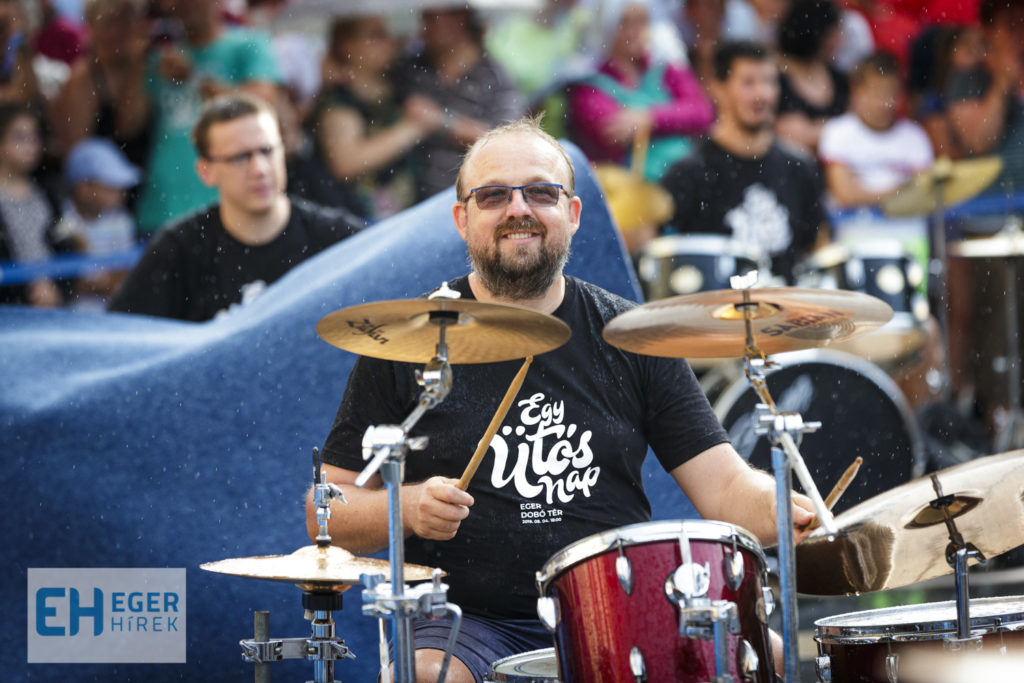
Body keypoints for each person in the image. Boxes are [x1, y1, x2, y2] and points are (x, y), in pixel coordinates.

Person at [305, 116, 815, 683]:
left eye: (541, 193)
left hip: (619, 604)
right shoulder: (409, 341)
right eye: (493, 195)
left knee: (770, 656)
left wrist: (786, 507)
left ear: (572, 213)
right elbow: (326, 511)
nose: (518, 209)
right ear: (461, 219)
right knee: (429, 677)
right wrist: (407, 507)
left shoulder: (632, 336)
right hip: (465, 618)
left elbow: (724, 487)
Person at [108, 93, 363, 322]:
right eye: (240, 157)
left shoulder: (339, 238)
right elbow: (123, 335)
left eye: (267, 151)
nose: (259, 169)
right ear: (206, 171)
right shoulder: (179, 250)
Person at [660, 40, 828, 284]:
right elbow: (659, 254)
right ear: (717, 88)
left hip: (787, 304)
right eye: (748, 83)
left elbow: (819, 250)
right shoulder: (687, 173)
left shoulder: (800, 168)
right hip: (715, 305)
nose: (763, 94)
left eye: (769, 82)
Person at [133, 0, 283, 236]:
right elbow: (129, 124)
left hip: (228, 210)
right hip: (162, 208)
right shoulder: (161, 57)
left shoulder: (249, 44)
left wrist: (194, 77)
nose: (182, 5)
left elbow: (260, 104)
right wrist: (138, 59)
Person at [305, 14, 443, 220]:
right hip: (360, 221)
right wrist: (413, 128)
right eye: (375, 36)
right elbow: (346, 162)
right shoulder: (338, 102)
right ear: (346, 46)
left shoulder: (400, 86)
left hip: (409, 215)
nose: (388, 41)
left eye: (387, 34)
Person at [567, 0, 714, 182]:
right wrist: (674, 117)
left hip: (685, 177)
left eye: (641, 21)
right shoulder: (589, 82)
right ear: (607, 25)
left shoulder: (664, 68)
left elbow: (703, 112)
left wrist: (650, 119)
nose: (634, 31)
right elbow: (613, 132)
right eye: (625, 22)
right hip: (628, 188)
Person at [394, 6, 524, 202]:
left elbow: (508, 144)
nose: (424, 27)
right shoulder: (413, 67)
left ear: (460, 19)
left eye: (432, 18)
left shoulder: (495, 77)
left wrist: (442, 121)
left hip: (470, 200)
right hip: (413, 201)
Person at [56, 136, 141, 311]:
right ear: (83, 188)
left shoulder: (120, 220)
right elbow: (64, 283)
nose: (120, 194)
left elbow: (122, 279)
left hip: (113, 314)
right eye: (110, 187)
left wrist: (92, 284)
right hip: (68, 316)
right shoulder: (58, 218)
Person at [0, 103, 66, 306]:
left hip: (53, 300)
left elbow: (65, 244)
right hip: (9, 306)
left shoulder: (49, 191)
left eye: (35, 137)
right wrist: (26, 294)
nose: (31, 145)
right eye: (20, 137)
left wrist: (57, 290)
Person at [773, 0, 849, 155]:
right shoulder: (774, 78)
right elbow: (791, 137)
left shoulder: (840, 79)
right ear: (817, 33)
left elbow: (859, 129)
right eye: (834, 34)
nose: (841, 41)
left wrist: (818, 130)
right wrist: (835, 130)